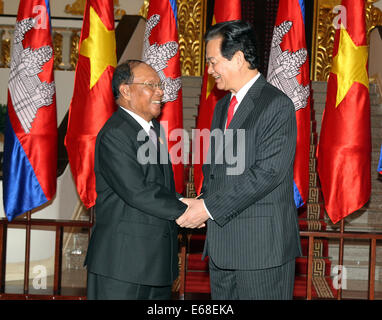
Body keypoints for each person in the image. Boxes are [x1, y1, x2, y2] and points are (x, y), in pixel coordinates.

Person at [176, 20, 302, 299]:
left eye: (212, 62)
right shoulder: (222, 106)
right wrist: (199, 204)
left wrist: (207, 208)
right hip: (223, 249)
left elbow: (267, 174)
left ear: (238, 58)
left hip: (261, 252)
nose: (209, 71)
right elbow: (216, 170)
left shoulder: (275, 105)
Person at [85, 60, 188, 300]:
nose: (161, 92)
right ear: (125, 90)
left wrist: (185, 202)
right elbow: (137, 191)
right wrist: (187, 210)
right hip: (124, 266)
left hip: (156, 267)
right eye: (151, 85)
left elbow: (159, 188)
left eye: (160, 85)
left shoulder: (152, 131)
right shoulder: (116, 134)